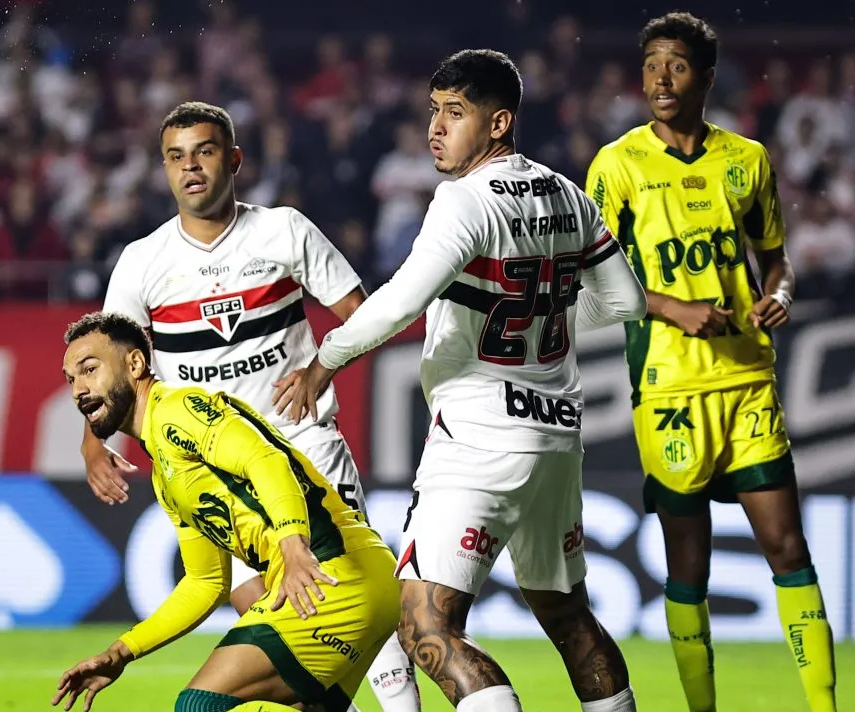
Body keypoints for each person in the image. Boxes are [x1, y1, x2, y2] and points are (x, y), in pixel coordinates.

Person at [275, 49, 643, 712]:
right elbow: (625, 303)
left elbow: (401, 302)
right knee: (568, 617)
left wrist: (325, 359)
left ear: (499, 123)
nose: (435, 129)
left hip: (478, 436)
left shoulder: (464, 201)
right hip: (555, 437)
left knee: (424, 625)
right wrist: (547, 312)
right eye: (433, 112)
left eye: (455, 113)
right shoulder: (569, 196)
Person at [85, 101, 420, 710]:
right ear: (164, 170)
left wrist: (324, 367)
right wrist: (93, 443)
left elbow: (360, 314)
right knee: (276, 631)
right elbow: (113, 365)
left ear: (234, 160)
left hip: (300, 446)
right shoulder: (142, 261)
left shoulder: (283, 230)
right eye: (175, 156)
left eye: (205, 151)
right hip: (217, 468)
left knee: (339, 594)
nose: (190, 167)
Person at [583, 12, 836, 712]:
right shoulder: (617, 164)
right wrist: (672, 307)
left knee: (787, 546)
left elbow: (776, 259)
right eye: (652, 64)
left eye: (678, 65)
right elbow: (590, 275)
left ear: (706, 77)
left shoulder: (746, 159)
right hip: (669, 384)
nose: (661, 78)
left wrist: (778, 293)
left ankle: (826, 706)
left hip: (747, 375)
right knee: (688, 564)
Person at [53, 311, 402, 712]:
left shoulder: (178, 411)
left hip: (331, 573)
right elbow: (205, 583)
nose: (79, 389)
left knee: (199, 705)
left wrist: (292, 544)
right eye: (70, 379)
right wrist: (122, 652)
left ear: (134, 364)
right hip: (355, 581)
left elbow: (265, 460)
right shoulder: (166, 475)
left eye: (89, 369)